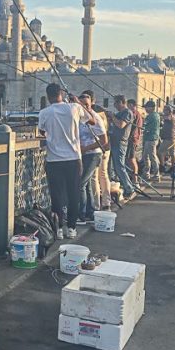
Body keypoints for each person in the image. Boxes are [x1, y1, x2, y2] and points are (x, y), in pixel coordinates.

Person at [36, 84, 84, 238]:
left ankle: (59, 229)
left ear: (48, 96)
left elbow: (42, 132)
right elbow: (91, 121)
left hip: (54, 159)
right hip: (73, 158)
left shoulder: (44, 112)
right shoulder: (74, 108)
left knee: (56, 195)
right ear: (61, 94)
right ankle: (71, 228)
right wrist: (77, 102)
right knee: (73, 194)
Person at [75, 92, 107, 224]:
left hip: (93, 154)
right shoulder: (80, 118)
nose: (85, 108)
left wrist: (85, 148)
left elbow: (104, 141)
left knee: (80, 184)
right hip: (84, 155)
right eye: (82, 105)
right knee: (87, 185)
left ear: (91, 104)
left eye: (87, 105)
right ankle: (90, 212)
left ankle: (81, 215)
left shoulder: (95, 118)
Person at [108, 95, 135, 200]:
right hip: (114, 142)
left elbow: (121, 125)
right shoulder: (120, 113)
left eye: (115, 103)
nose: (114, 106)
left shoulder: (127, 112)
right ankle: (123, 185)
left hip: (120, 143)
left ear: (121, 102)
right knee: (116, 167)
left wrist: (112, 116)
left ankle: (129, 188)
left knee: (120, 167)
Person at [140, 100, 161, 180]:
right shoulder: (156, 115)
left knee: (152, 156)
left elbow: (143, 126)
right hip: (153, 138)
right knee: (146, 156)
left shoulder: (151, 116)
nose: (145, 109)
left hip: (150, 139)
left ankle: (156, 175)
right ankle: (146, 173)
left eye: (147, 107)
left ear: (152, 108)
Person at [159, 105, 175, 173]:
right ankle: (173, 167)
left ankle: (162, 167)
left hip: (169, 138)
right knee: (173, 153)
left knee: (160, 152)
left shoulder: (170, 116)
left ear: (169, 111)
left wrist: (160, 115)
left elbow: (166, 118)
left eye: (165, 110)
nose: (164, 111)